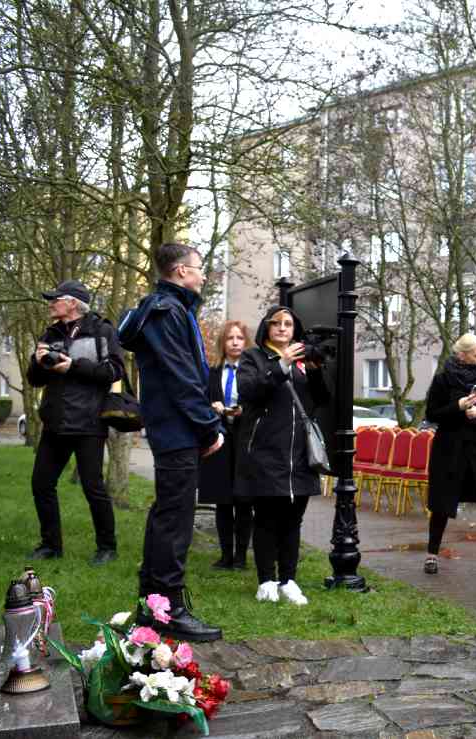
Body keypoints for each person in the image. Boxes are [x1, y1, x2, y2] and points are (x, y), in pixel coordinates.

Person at [130, 243, 224, 642]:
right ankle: (167, 610)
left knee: (167, 515)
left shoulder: (169, 309)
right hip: (177, 429)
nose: (203, 275)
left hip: (173, 428)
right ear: (182, 271)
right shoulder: (168, 311)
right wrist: (208, 426)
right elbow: (181, 378)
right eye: (200, 269)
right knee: (175, 521)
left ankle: (153, 604)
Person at [235, 306, 329, 606]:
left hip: (300, 454)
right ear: (267, 327)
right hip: (266, 452)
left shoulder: (302, 361)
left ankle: (289, 580)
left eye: (289, 324)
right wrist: (282, 365)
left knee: (293, 520)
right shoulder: (254, 357)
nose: (283, 328)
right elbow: (249, 390)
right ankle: (266, 580)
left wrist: (314, 373)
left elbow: (321, 400)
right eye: (277, 323)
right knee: (266, 519)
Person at [26, 279, 124, 565]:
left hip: (89, 423)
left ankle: (107, 547)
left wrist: (73, 366)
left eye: (55, 299)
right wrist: (38, 359)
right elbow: (35, 379)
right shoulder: (51, 332)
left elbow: (114, 371)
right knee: (41, 484)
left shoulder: (102, 330)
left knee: (93, 488)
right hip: (55, 422)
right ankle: (50, 546)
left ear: (72, 303)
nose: (51, 303)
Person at [423, 333, 476, 575]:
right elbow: (432, 413)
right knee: (441, 502)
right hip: (449, 447)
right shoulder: (442, 379)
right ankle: (432, 555)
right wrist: (458, 407)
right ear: (462, 355)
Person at [199, 320, 253, 571]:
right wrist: (213, 406)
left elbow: (260, 402)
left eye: (239, 338)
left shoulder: (252, 372)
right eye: (229, 338)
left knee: (243, 500)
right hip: (220, 440)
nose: (234, 342)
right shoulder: (212, 372)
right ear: (223, 343)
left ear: (246, 342)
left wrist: (245, 410)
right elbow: (203, 400)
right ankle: (225, 556)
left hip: (244, 440)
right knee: (222, 501)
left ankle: (241, 557)